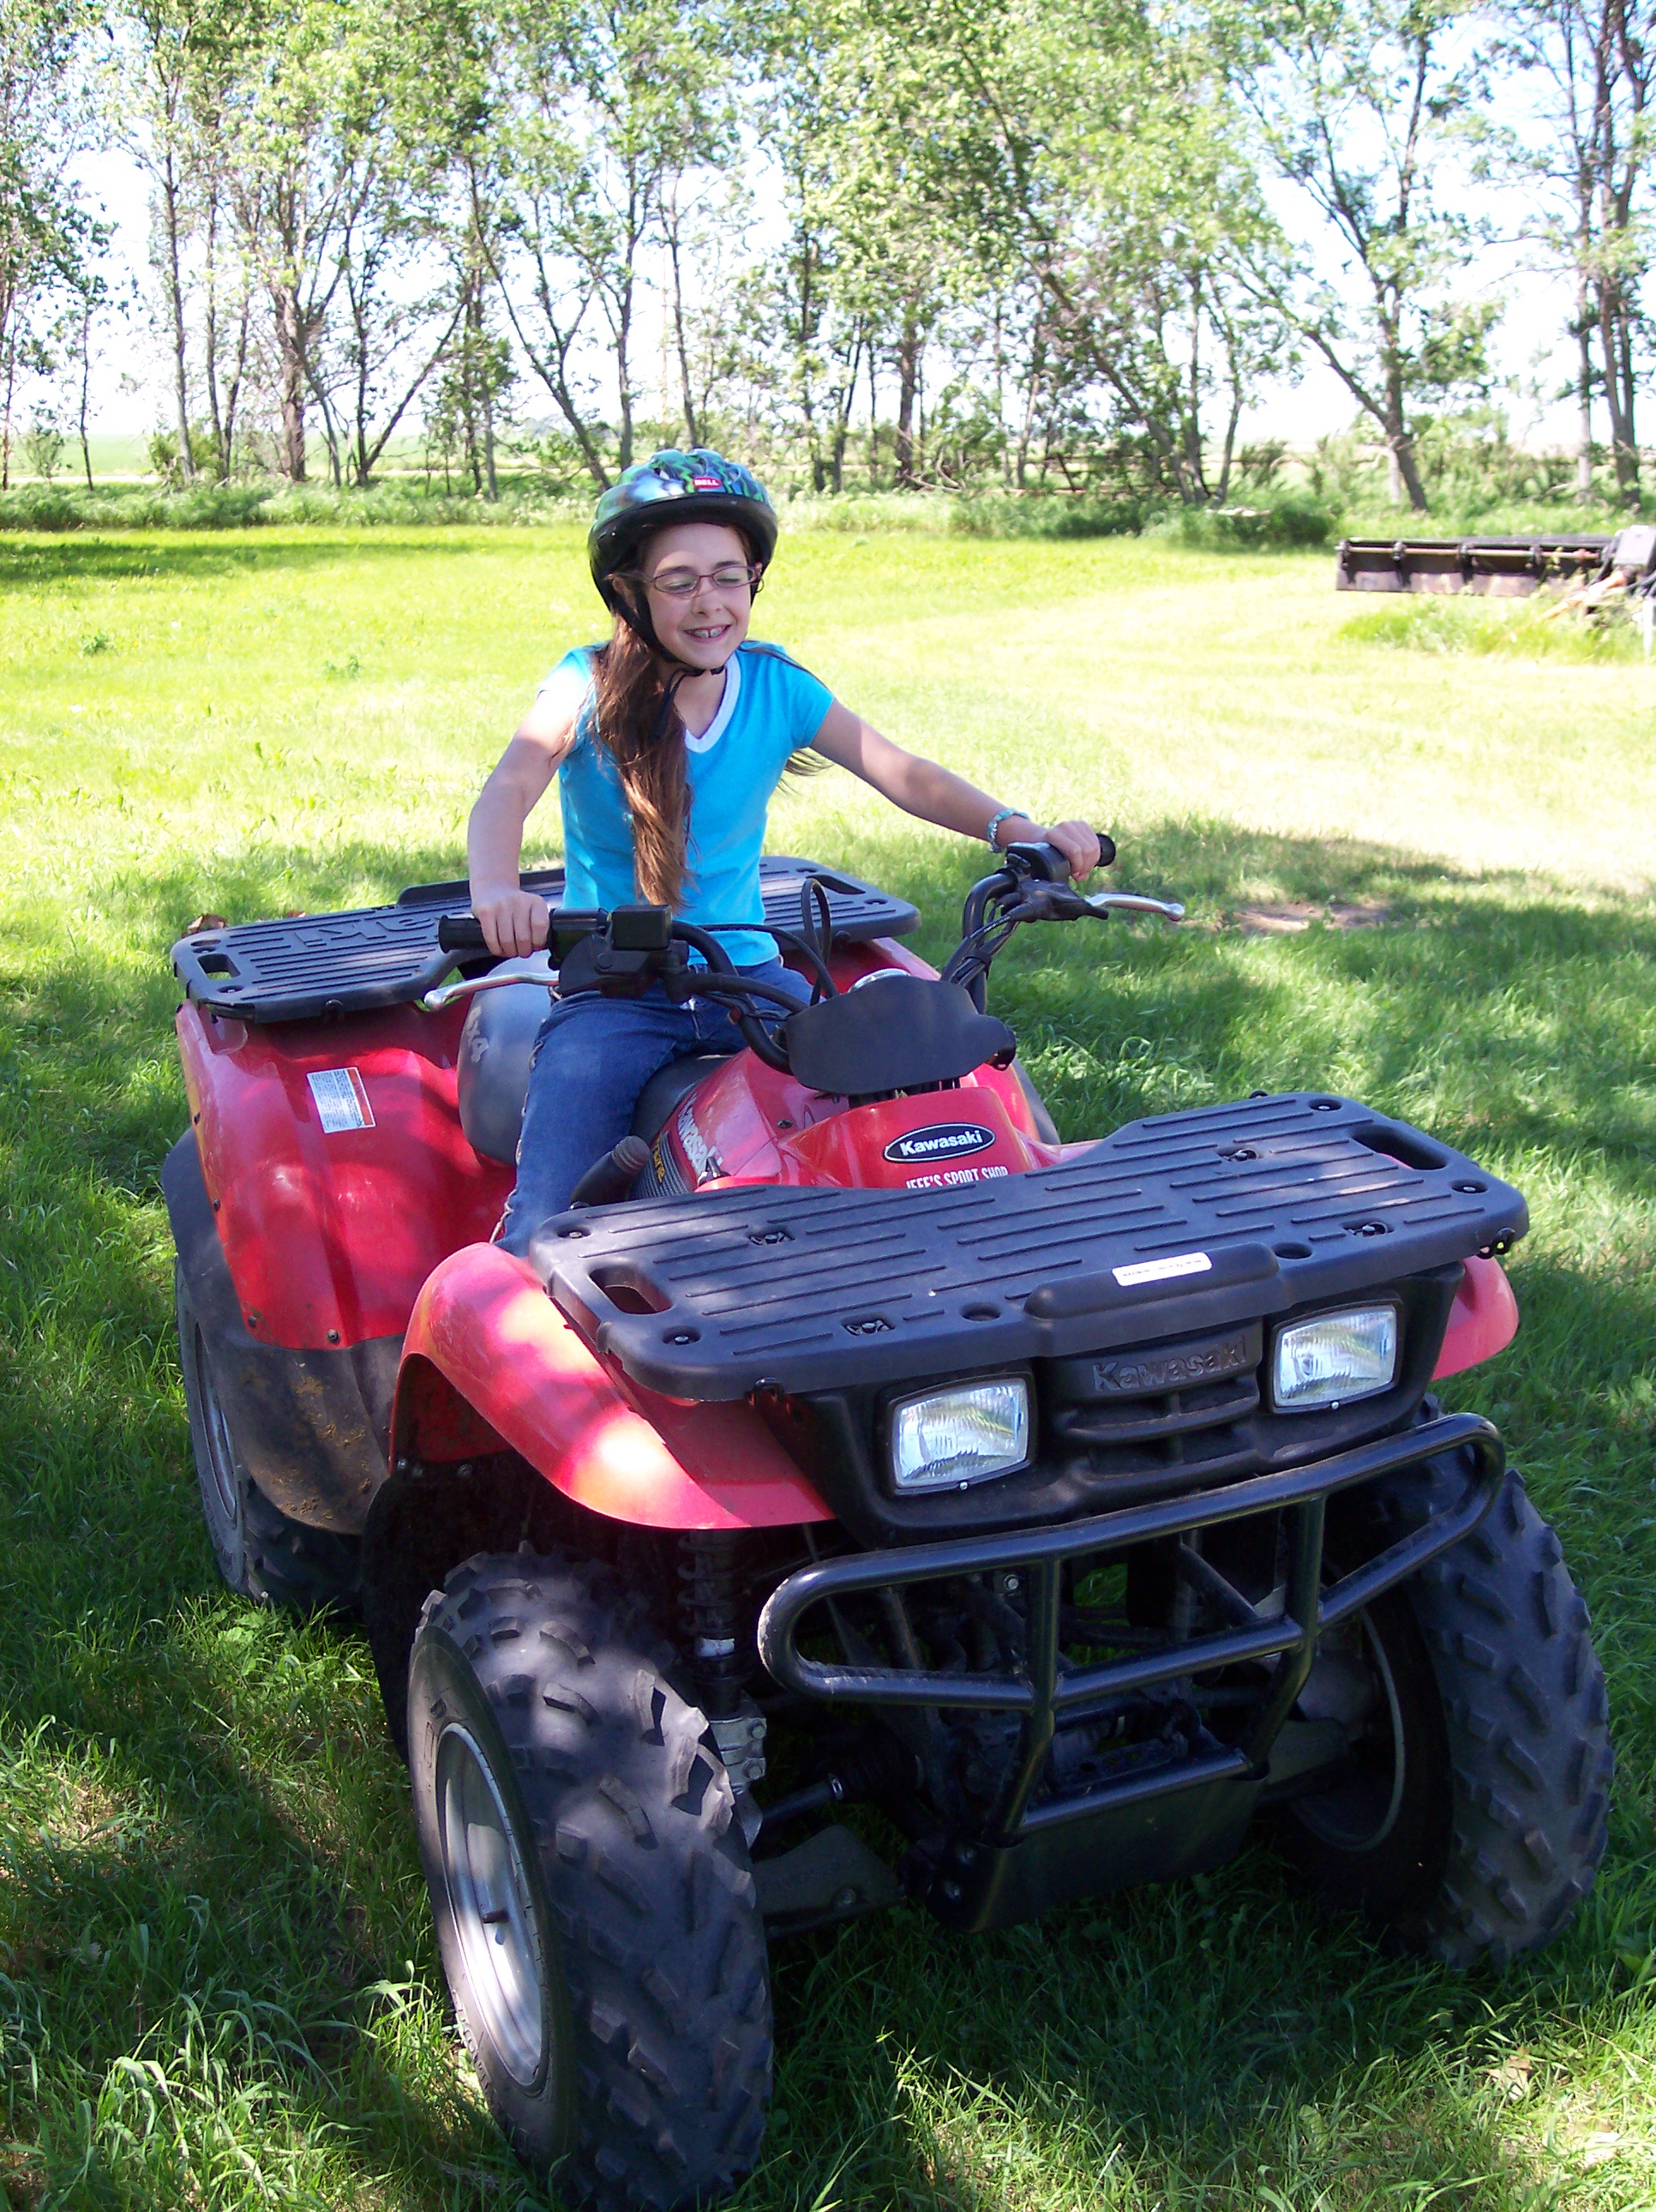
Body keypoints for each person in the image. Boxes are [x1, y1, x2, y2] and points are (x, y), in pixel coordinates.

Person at [466, 448, 1101, 1254]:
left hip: (748, 980)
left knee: (882, 1133)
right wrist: (496, 890)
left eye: (728, 576)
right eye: (679, 581)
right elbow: (509, 787)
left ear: (755, 580)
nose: (709, 602)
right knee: (547, 1224)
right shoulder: (584, 684)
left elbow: (904, 773)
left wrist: (1020, 831)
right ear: (630, 591)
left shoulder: (777, 687)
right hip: (616, 992)